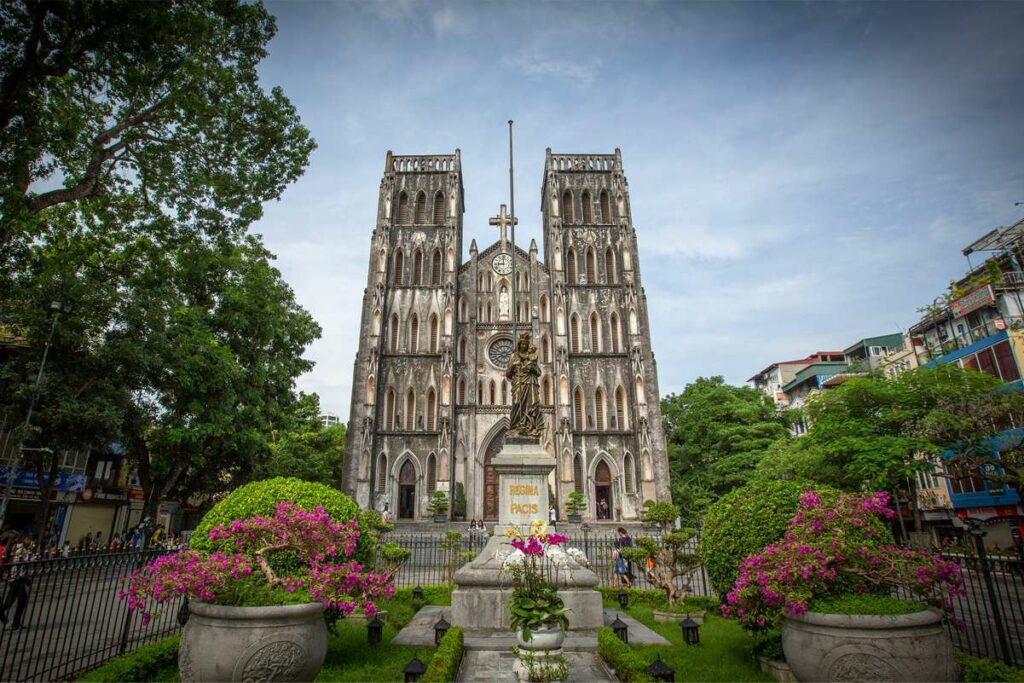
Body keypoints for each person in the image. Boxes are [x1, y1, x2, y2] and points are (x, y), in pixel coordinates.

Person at [0, 535, 33, 629]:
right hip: (16, 579)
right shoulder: (19, 549)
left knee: (18, 600)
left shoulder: (22, 549)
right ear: (23, 539)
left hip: (18, 578)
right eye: (28, 539)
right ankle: (12, 622)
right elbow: (23, 561)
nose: (30, 541)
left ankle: (16, 623)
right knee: (11, 601)